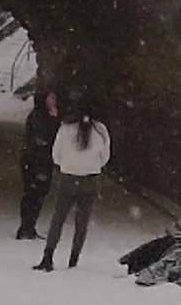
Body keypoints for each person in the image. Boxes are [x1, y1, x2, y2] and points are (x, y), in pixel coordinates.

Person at [34, 97, 111, 272]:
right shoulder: (101, 130)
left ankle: (48, 257)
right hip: (90, 180)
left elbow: (56, 156)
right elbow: (105, 157)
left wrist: (69, 164)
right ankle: (73, 260)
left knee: (58, 219)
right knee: (82, 222)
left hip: (68, 179)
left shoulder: (65, 129)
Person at [16, 89, 59, 240]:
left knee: (34, 194)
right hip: (38, 161)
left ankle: (28, 226)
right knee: (35, 193)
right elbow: (44, 138)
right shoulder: (41, 117)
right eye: (51, 98)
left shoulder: (38, 115)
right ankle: (26, 227)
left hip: (37, 159)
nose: (54, 101)